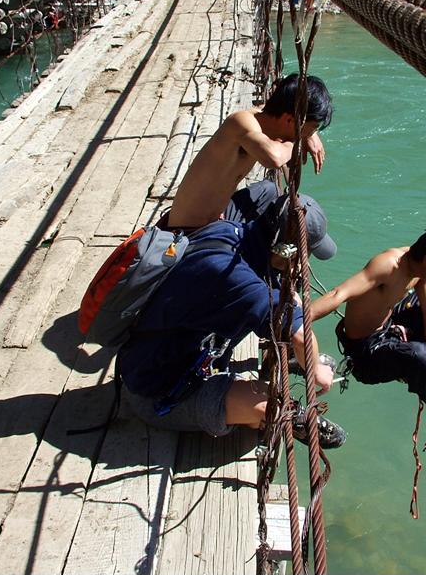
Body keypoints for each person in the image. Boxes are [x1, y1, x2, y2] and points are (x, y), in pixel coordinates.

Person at [116, 190, 346, 447]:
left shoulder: (231, 234)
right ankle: (296, 416)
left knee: (288, 307)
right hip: (157, 391)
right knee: (268, 404)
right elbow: (300, 334)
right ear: (284, 251)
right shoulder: (235, 277)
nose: (305, 262)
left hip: (157, 356)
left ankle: (295, 363)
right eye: (304, 254)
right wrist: (316, 372)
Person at [308, 220, 426, 423]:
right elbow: (338, 294)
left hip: (389, 327)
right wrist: (298, 320)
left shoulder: (419, 269)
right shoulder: (389, 266)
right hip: (366, 354)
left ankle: (422, 370)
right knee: (418, 355)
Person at [163, 73, 333, 230]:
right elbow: (273, 158)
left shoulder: (268, 118)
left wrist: (310, 133)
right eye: (311, 128)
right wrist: (299, 140)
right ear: (289, 120)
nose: (308, 135)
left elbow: (284, 112)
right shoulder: (240, 122)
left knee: (270, 190)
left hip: (218, 215)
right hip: (191, 228)